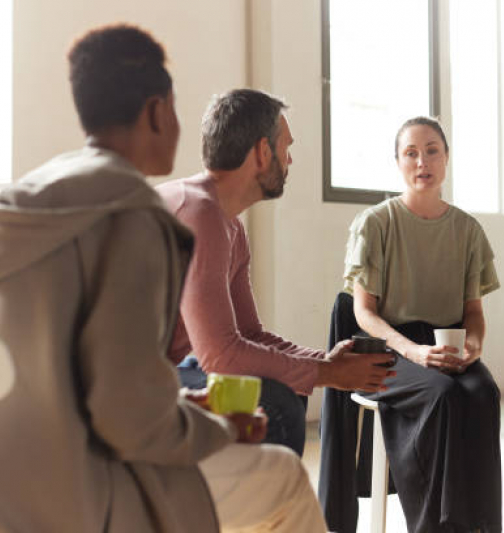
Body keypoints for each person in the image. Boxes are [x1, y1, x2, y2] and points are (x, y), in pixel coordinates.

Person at [0, 24, 326, 533]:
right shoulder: (131, 216)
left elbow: (87, 381)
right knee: (283, 476)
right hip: (58, 497)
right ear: (157, 111)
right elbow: (127, 422)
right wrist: (213, 426)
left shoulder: (26, 200)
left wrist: (186, 406)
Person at [157, 89, 396, 457]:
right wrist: (328, 375)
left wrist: (324, 362)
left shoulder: (229, 227)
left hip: (164, 372)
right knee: (276, 401)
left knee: (285, 388)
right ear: (262, 153)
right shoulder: (198, 212)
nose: (290, 159)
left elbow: (249, 334)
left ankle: (261, 507)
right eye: (285, 147)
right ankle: (264, 510)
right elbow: (220, 356)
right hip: (121, 383)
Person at [325, 116, 502, 532]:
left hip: (446, 345)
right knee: (442, 396)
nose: (422, 161)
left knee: (483, 393)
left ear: (446, 158)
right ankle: (435, 524)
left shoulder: (467, 230)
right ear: (398, 162)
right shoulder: (376, 224)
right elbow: (362, 312)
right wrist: (413, 351)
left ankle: (478, 525)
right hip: (388, 349)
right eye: (411, 153)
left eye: (432, 150)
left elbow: (473, 312)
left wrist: (473, 346)